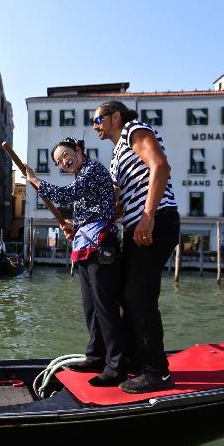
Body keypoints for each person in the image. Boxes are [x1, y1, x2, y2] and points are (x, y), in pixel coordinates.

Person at [26, 138, 129, 387]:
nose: (63, 162)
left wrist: (35, 180)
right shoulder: (81, 175)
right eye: (59, 161)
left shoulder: (93, 170)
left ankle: (117, 365)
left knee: (105, 306)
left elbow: (65, 195)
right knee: (90, 306)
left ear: (79, 150)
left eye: (65, 155)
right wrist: (74, 226)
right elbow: (87, 211)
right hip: (86, 245)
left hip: (102, 246)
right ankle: (96, 356)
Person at [93, 100, 180, 393]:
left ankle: (157, 371)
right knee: (125, 296)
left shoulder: (134, 130)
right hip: (135, 228)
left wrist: (148, 216)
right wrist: (80, 226)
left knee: (139, 295)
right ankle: (137, 362)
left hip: (156, 222)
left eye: (98, 120)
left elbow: (160, 166)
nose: (95, 126)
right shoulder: (116, 157)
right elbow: (116, 208)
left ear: (115, 116)